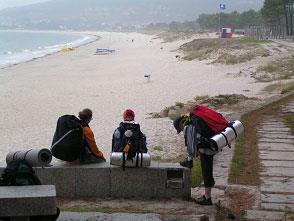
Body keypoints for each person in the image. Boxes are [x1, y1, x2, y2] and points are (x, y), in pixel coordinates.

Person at [173, 106, 228, 206]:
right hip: (211, 143)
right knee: (207, 170)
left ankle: (207, 198)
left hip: (207, 148)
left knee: (206, 171)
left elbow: (191, 147)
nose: (181, 130)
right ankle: (207, 195)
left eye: (179, 129)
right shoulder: (194, 120)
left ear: (181, 124)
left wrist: (190, 160)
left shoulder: (188, 126)